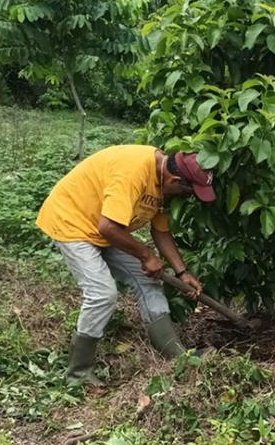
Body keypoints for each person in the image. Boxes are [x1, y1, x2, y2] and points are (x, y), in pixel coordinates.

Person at [36, 145, 215, 385]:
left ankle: (177, 355)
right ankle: (78, 373)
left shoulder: (164, 185)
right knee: (102, 294)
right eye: (189, 191)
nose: (189, 196)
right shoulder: (133, 172)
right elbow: (108, 227)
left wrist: (182, 272)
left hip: (106, 227)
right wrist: (145, 255)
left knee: (148, 281)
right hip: (73, 223)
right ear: (175, 180)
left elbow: (160, 232)